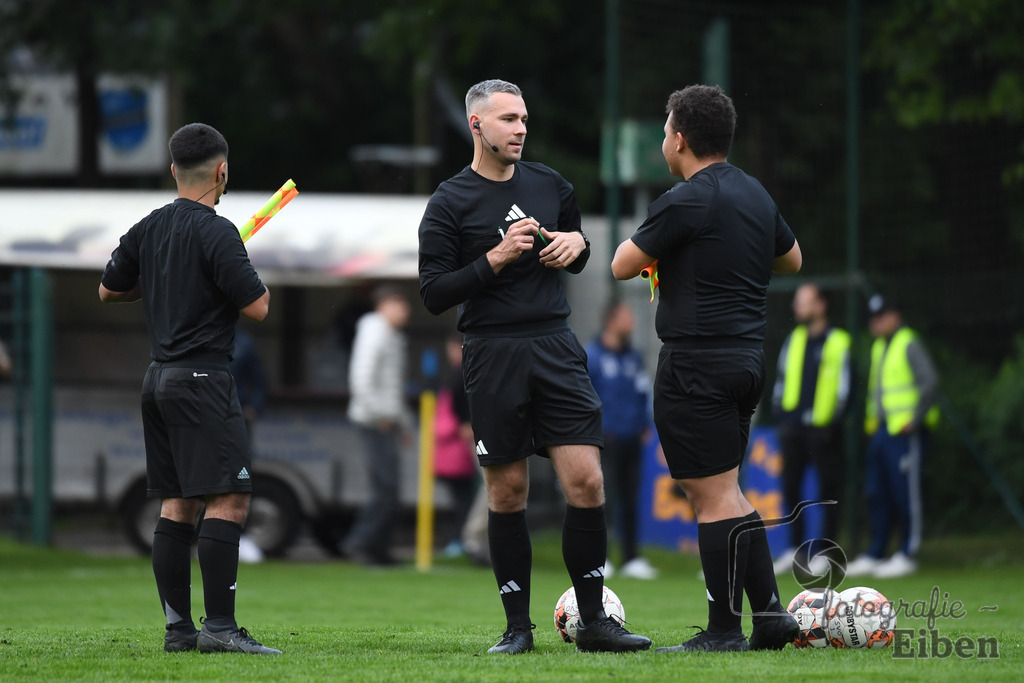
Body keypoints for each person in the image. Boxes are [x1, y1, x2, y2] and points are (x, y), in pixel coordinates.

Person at [418, 78, 651, 655]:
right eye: (507, 120)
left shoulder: (551, 185)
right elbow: (433, 293)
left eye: (523, 118)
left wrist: (580, 247)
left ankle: (594, 623)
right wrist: (494, 257)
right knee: (508, 491)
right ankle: (516, 628)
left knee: (586, 480)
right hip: (492, 352)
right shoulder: (450, 201)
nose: (521, 129)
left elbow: (576, 247)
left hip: (554, 343)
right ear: (477, 126)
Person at [611, 84, 803, 653]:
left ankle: (723, 632)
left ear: (681, 139)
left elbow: (624, 264)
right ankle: (769, 615)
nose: (664, 137)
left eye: (666, 128)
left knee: (712, 497)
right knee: (729, 490)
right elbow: (792, 258)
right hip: (746, 361)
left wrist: (675, 252)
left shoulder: (684, 200)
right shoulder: (754, 193)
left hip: (697, 362)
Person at [98, 123, 279, 655]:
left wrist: (164, 281)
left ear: (173, 170)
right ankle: (220, 628)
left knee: (177, 506)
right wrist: (230, 277)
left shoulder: (148, 227)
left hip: (158, 380)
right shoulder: (218, 232)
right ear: (222, 172)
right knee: (229, 498)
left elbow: (109, 290)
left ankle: (179, 631)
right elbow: (258, 306)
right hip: (203, 379)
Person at [845, 294, 939, 579]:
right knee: (876, 492)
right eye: (873, 317)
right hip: (882, 432)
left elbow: (930, 381)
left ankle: (907, 553)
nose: (876, 322)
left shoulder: (908, 342)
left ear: (895, 316)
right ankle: (877, 552)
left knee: (904, 493)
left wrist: (916, 418)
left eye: (881, 315)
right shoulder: (879, 346)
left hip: (904, 432)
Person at [770, 282, 851, 574]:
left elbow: (845, 387)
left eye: (803, 301)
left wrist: (831, 423)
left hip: (823, 431)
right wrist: (782, 418)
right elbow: (781, 381)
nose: (796, 307)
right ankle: (795, 551)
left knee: (827, 491)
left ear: (820, 305)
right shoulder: (794, 339)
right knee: (791, 489)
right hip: (792, 430)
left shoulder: (839, 341)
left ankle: (826, 554)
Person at [585, 301, 658, 580]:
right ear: (611, 320)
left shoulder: (633, 357)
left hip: (633, 439)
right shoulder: (592, 355)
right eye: (626, 316)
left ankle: (631, 558)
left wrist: (644, 425)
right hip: (605, 439)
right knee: (602, 498)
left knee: (630, 498)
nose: (632, 321)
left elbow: (642, 393)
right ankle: (600, 557)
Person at [343, 285, 411, 566]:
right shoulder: (375, 331)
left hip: (386, 421)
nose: (406, 312)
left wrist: (403, 423)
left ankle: (379, 549)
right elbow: (361, 379)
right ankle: (359, 544)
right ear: (384, 306)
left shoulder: (390, 334)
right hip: (374, 421)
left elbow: (392, 388)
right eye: (401, 305)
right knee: (385, 488)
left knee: (390, 488)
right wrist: (381, 415)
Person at [433, 332, 481, 558]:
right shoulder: (456, 374)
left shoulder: (464, 372)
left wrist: (465, 424)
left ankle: (468, 537)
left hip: (464, 443)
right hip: (459, 447)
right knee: (466, 495)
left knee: (473, 494)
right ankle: (467, 538)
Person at [229, 328, 269, 565]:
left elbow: (260, 379)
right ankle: (191, 536)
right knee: (197, 480)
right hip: (200, 418)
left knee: (238, 480)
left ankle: (239, 537)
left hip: (235, 417)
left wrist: (253, 406)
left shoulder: (243, 341)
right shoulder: (193, 331)